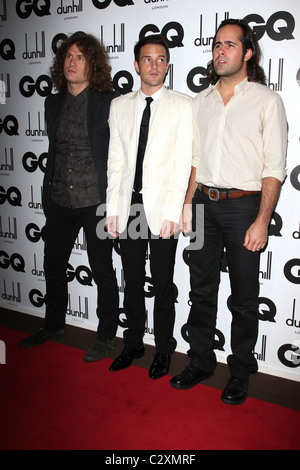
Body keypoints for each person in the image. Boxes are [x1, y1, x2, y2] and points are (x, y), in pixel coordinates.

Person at [170, 19, 287, 404]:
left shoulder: (266, 101)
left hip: (243, 209)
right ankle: (201, 360)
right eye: (217, 45)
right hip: (203, 204)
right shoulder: (200, 101)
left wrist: (261, 220)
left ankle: (239, 372)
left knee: (244, 297)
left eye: (230, 45)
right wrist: (188, 203)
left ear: (247, 52)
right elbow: (194, 159)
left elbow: (273, 168)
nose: (221, 51)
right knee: (201, 289)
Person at [19, 32, 120, 362]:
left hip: (95, 201)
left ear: (93, 64)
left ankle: (105, 337)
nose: (72, 62)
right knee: (52, 266)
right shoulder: (53, 101)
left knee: (102, 269)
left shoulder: (109, 101)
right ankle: (53, 325)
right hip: (59, 198)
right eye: (68, 57)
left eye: (80, 57)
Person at [105, 34, 193, 379]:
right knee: (132, 279)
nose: (153, 65)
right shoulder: (119, 105)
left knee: (162, 283)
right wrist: (113, 209)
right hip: (129, 208)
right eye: (147, 59)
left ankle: (164, 349)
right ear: (136, 64)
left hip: (162, 210)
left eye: (160, 59)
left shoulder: (182, 106)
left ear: (167, 66)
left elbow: (182, 164)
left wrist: (173, 213)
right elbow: (116, 162)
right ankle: (133, 343)